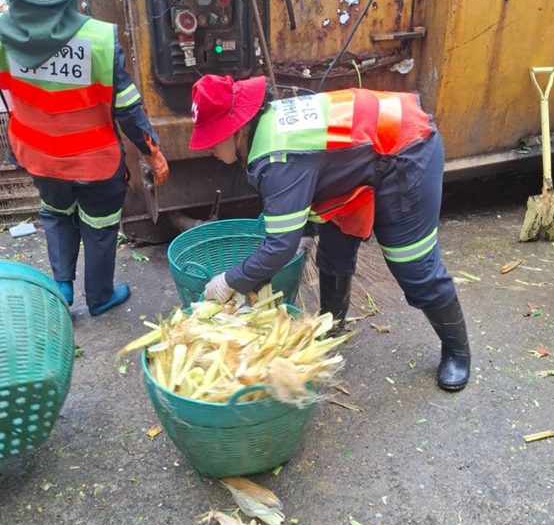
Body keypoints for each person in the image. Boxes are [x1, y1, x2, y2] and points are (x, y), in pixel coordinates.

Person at [188, 74, 470, 391]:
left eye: (213, 139)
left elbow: (279, 247)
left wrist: (229, 281)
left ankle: (457, 351)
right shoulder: (268, 128)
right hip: (362, 161)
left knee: (412, 263)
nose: (209, 149)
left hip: (407, 148)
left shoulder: (275, 158)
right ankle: (332, 325)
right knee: (334, 250)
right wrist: (306, 229)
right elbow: (312, 171)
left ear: (237, 130)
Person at [0, 0, 169, 316]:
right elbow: (127, 107)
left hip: (39, 155)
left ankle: (62, 289)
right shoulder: (99, 39)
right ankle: (99, 298)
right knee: (99, 226)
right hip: (95, 162)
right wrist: (151, 151)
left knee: (55, 215)